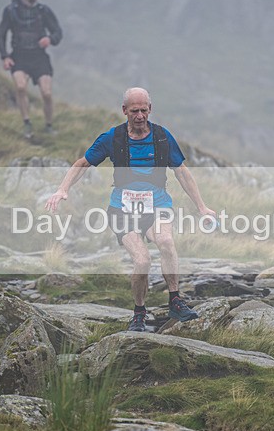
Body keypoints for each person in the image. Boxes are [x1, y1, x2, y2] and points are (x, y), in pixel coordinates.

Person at [45, 87, 216, 332]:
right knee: (143, 260)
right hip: (122, 210)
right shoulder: (111, 138)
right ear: (124, 110)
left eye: (144, 110)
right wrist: (63, 189)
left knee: (166, 242)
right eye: (134, 111)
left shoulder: (162, 137)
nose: (139, 116)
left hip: (157, 205)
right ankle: (138, 313)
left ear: (150, 109)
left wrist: (202, 207)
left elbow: (181, 173)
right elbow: (82, 164)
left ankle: (175, 300)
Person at [0, 0, 63, 140]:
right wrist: (5, 56)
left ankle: (48, 125)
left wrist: (50, 39)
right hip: (19, 56)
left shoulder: (43, 11)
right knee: (20, 87)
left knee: (46, 93)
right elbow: (0, 35)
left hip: (39, 57)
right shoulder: (11, 11)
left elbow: (58, 32)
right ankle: (27, 123)